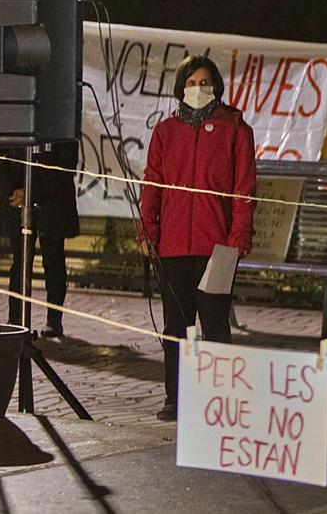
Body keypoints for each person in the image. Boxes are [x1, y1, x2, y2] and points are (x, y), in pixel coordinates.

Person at [140, 55, 257, 421]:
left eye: (205, 82)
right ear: (180, 88)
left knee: (215, 323)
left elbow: (244, 188)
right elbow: (152, 183)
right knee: (176, 325)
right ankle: (176, 398)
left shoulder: (236, 130)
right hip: (173, 246)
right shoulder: (165, 132)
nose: (198, 89)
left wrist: (239, 235)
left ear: (217, 86)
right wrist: (148, 228)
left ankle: (221, 400)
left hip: (218, 247)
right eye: (191, 83)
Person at [0, 141, 81, 338]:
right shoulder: (15, 115)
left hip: (52, 204)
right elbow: (0, 158)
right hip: (18, 199)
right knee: (20, 262)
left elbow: (65, 166)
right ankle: (15, 318)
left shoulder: (60, 120)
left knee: (53, 260)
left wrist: (31, 192)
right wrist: (14, 190)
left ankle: (54, 319)